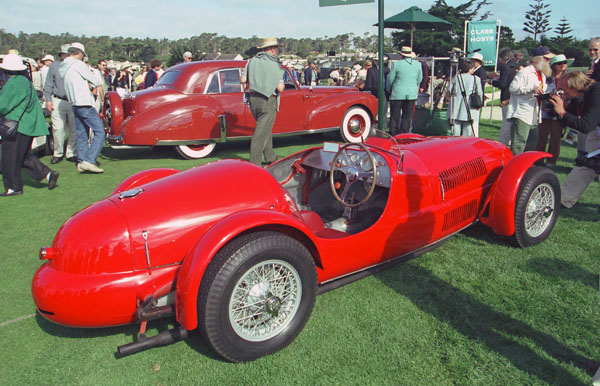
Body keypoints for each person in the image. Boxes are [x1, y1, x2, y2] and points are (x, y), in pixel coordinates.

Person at [0, 54, 59, 196]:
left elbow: (3, 106)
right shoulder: (24, 81)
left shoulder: (14, 83)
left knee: (10, 158)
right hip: (26, 125)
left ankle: (13, 187)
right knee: (25, 156)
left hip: (16, 126)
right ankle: (48, 174)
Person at [548, 71, 600, 208]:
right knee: (587, 163)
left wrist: (562, 112)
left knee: (592, 162)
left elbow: (585, 126)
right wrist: (555, 104)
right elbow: (568, 113)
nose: (562, 92)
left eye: (564, 89)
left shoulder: (596, 92)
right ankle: (564, 199)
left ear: (574, 87)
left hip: (593, 127)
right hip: (597, 129)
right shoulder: (581, 94)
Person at [59, 42, 105, 173]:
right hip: (84, 103)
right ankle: (89, 160)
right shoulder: (78, 65)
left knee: (82, 134)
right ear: (79, 53)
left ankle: (81, 161)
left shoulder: (64, 66)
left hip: (74, 104)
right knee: (100, 132)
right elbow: (95, 81)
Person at [240, 37, 284, 166]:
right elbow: (280, 87)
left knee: (264, 129)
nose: (277, 50)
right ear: (271, 50)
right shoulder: (275, 64)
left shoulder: (251, 61)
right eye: (276, 48)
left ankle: (270, 156)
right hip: (268, 100)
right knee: (260, 134)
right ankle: (255, 164)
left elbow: (243, 80)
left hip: (253, 99)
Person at [505, 54, 550, 155]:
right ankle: (514, 167)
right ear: (538, 60)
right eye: (546, 59)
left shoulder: (542, 74)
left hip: (534, 113)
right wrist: (530, 88)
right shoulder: (524, 72)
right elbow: (512, 88)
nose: (548, 62)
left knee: (532, 143)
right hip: (522, 112)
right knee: (519, 143)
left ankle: (527, 167)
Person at [535, 54, 573, 167]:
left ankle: (551, 162)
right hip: (546, 110)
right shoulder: (547, 78)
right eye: (559, 63)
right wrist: (545, 105)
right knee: (542, 136)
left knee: (556, 137)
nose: (562, 65)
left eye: (564, 63)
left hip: (560, 111)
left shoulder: (568, 79)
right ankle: (539, 159)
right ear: (553, 66)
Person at [43, 43, 77, 164]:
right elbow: (48, 84)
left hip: (73, 100)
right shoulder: (54, 66)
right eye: (65, 54)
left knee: (74, 128)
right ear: (61, 54)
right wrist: (48, 100)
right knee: (58, 128)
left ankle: (71, 152)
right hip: (58, 99)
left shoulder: (75, 66)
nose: (66, 56)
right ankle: (58, 153)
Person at [386, 46, 422, 135]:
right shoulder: (418, 65)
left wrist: (388, 88)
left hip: (398, 93)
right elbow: (419, 79)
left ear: (401, 55)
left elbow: (390, 79)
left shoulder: (397, 64)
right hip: (411, 94)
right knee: (407, 116)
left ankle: (394, 134)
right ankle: (404, 134)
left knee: (395, 116)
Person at [447, 60, 483, 136]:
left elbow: (448, 89)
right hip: (469, 108)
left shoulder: (456, 77)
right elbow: (479, 92)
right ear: (470, 68)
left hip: (455, 107)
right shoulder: (476, 79)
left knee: (455, 132)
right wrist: (479, 104)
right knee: (467, 132)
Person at [490, 48, 518, 145]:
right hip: (514, 98)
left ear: (503, 58)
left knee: (506, 123)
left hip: (506, 96)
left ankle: (502, 143)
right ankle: (509, 141)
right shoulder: (515, 66)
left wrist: (493, 82)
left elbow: (503, 83)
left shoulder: (505, 67)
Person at [364, 56, 390, 129]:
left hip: (384, 92)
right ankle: (372, 128)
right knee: (373, 112)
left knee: (383, 112)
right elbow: (369, 84)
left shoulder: (387, 70)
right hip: (375, 93)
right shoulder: (371, 70)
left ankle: (383, 129)